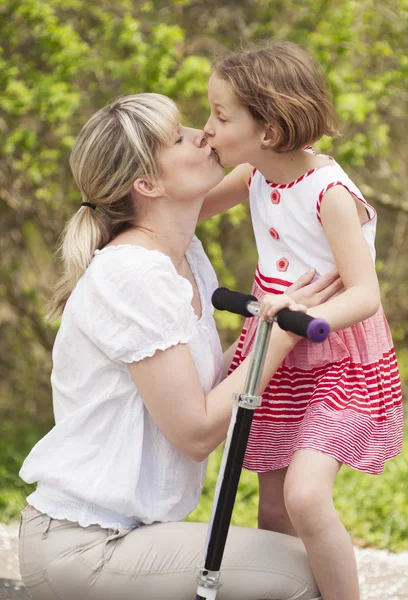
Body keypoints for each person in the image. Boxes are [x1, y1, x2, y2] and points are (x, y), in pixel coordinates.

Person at [17, 92, 343, 600]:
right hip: (88, 543)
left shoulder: (183, 252)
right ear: (146, 183)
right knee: (303, 576)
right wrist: (273, 340)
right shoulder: (133, 273)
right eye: (179, 137)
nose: (203, 134)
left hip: (131, 533)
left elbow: (270, 173)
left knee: (296, 553)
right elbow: (194, 433)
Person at [201, 41, 403, 600]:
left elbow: (363, 294)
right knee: (272, 510)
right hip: (278, 343)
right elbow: (185, 207)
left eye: (219, 117)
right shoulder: (254, 175)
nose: (208, 128)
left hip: (334, 349)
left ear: (267, 131)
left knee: (306, 498)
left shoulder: (329, 192)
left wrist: (307, 315)